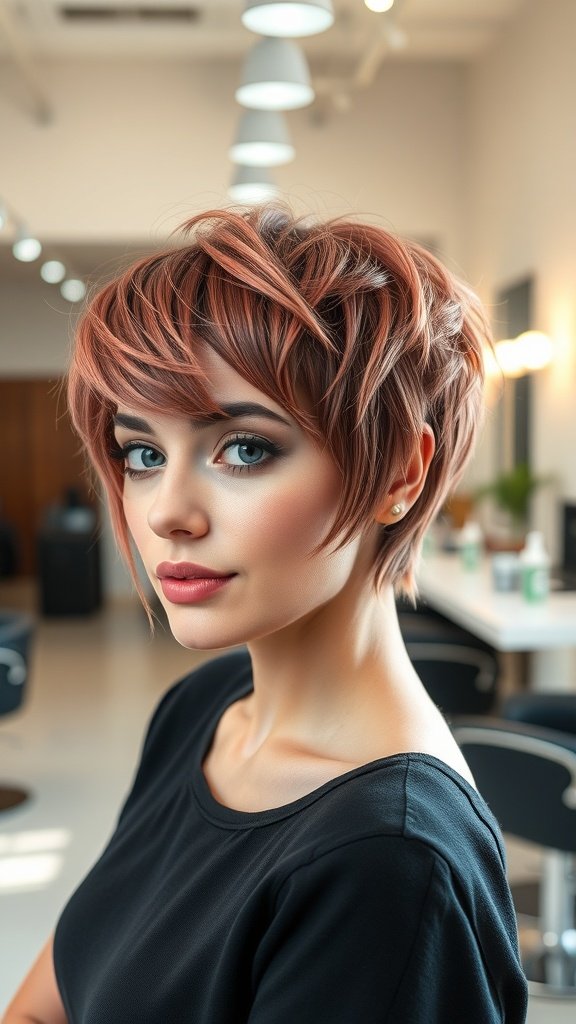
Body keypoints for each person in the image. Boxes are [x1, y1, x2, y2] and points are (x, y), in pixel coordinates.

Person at [4, 204, 528, 1023]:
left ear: (400, 473)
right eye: (142, 453)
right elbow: (49, 1001)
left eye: (243, 448)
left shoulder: (387, 867)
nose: (166, 512)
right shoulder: (205, 709)